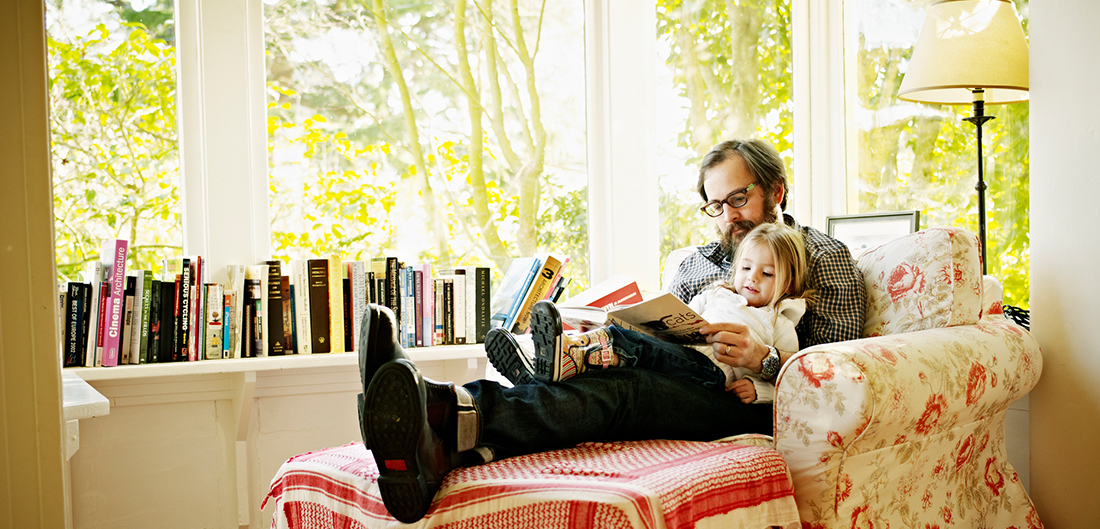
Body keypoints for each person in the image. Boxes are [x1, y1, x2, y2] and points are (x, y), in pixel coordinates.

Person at [357, 138, 866, 523]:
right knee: (604, 379)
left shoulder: (823, 257)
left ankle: (442, 411)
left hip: (752, 402)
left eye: (739, 198)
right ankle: (439, 427)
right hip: (687, 375)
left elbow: (845, 373)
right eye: (716, 205)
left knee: (627, 394)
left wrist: (763, 359)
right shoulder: (695, 265)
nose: (729, 217)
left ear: (775, 190)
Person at [491, 222, 814, 407]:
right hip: (677, 362)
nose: (752, 278)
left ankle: (563, 358)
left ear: (789, 281)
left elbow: (794, 379)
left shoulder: (780, 322)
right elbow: (686, 317)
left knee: (631, 347)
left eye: (767, 273)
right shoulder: (716, 293)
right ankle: (540, 366)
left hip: (710, 378)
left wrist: (761, 392)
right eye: (746, 268)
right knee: (631, 351)